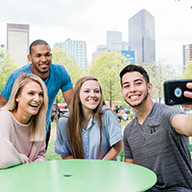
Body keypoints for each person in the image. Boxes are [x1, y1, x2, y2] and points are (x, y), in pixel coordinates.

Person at [120, 64, 192, 191]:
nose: (132, 89)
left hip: (177, 189)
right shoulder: (129, 130)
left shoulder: (166, 113)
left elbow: (187, 127)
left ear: (149, 87)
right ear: (122, 92)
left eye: (138, 83)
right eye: (126, 86)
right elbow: (130, 171)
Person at [0, 39, 73, 149]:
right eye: (38, 56)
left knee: (38, 160)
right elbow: (2, 105)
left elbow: (72, 103)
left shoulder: (60, 72)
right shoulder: (17, 76)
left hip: (42, 127)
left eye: (47, 55)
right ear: (30, 58)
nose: (44, 59)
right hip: (19, 128)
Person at [55, 76, 123, 160]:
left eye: (97, 91)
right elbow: (65, 154)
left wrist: (100, 166)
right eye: (87, 91)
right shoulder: (65, 121)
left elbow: (118, 146)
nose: (92, 95)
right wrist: (82, 171)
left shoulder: (107, 115)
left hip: (106, 169)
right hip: (79, 171)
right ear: (78, 96)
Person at [0, 73, 48, 169]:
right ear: (17, 96)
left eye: (41, 94)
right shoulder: (4, 117)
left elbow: (40, 155)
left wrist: (36, 164)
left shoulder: (39, 122)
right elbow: (3, 158)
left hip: (27, 179)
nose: (37, 99)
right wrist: (24, 159)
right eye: (31, 93)